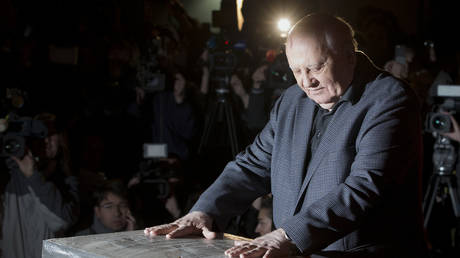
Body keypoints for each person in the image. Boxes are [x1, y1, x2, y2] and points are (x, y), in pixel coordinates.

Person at [144, 13, 425, 257]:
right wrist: (205, 211)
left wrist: (286, 235)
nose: (306, 82)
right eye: (296, 70)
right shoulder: (292, 100)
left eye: (316, 67)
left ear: (350, 55)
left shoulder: (389, 100)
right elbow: (252, 165)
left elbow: (365, 187)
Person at [2, 113, 79, 258]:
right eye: (39, 135)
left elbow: (62, 221)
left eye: (51, 134)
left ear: (62, 138)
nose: (46, 140)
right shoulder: (11, 175)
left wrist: (33, 177)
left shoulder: (67, 179)